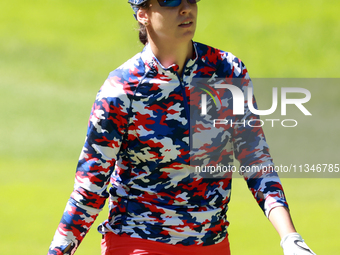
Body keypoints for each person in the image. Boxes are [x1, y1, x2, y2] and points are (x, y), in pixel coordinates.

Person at [48, 1, 316, 254]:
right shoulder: (121, 89)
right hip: (137, 241)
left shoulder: (227, 71)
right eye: (171, 0)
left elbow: (255, 159)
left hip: (213, 244)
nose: (186, 8)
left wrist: (290, 237)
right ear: (143, 13)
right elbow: (91, 184)